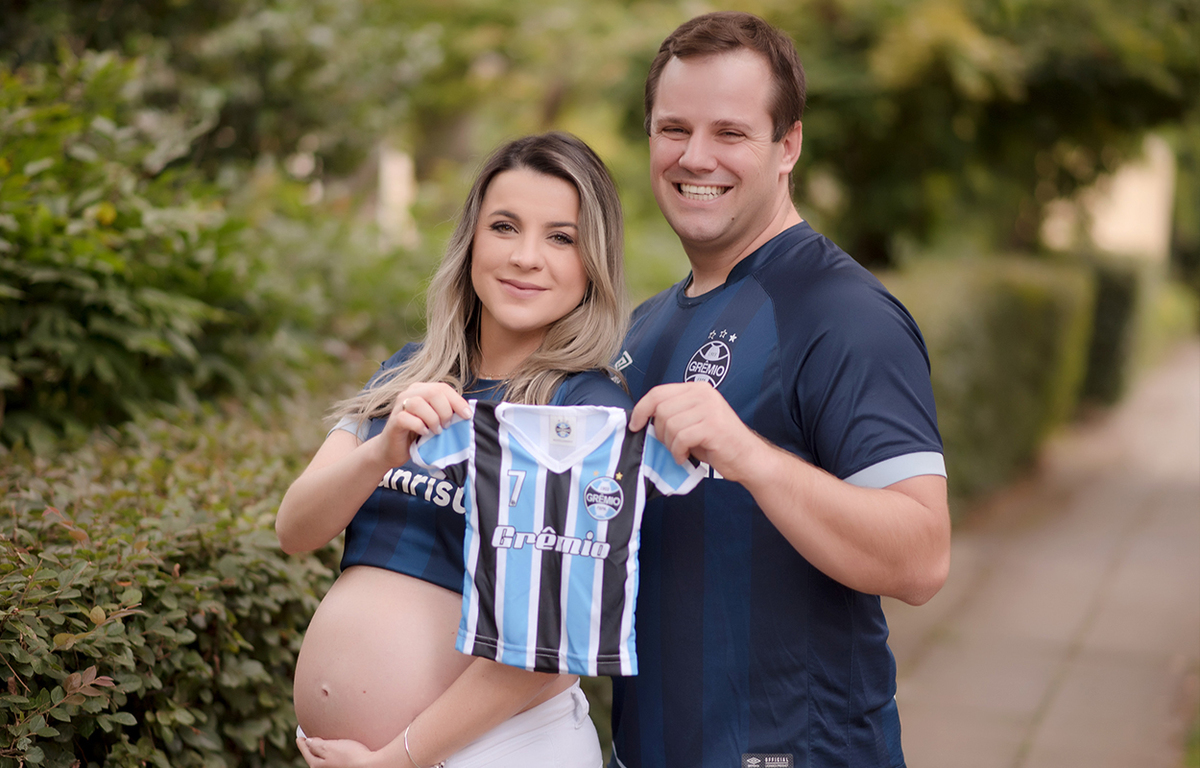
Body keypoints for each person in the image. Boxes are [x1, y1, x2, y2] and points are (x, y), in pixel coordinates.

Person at [609, 12, 951, 768]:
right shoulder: (645, 326)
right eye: (673, 129)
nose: (695, 156)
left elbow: (923, 556)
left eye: (730, 133)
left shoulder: (842, 313)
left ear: (787, 145)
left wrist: (750, 456)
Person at [275, 131, 631, 768]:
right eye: (504, 226)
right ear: (471, 239)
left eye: (560, 237)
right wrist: (382, 450)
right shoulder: (409, 372)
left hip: (496, 749)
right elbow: (296, 528)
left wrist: (396, 761)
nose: (526, 256)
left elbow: (549, 646)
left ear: (592, 262)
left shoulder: (586, 412)